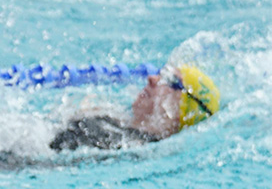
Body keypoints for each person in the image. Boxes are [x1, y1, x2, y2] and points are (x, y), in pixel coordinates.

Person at [50, 65, 220, 151]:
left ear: (182, 109)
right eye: (161, 72)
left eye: (169, 80)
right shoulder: (120, 128)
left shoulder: (129, 146)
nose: (152, 78)